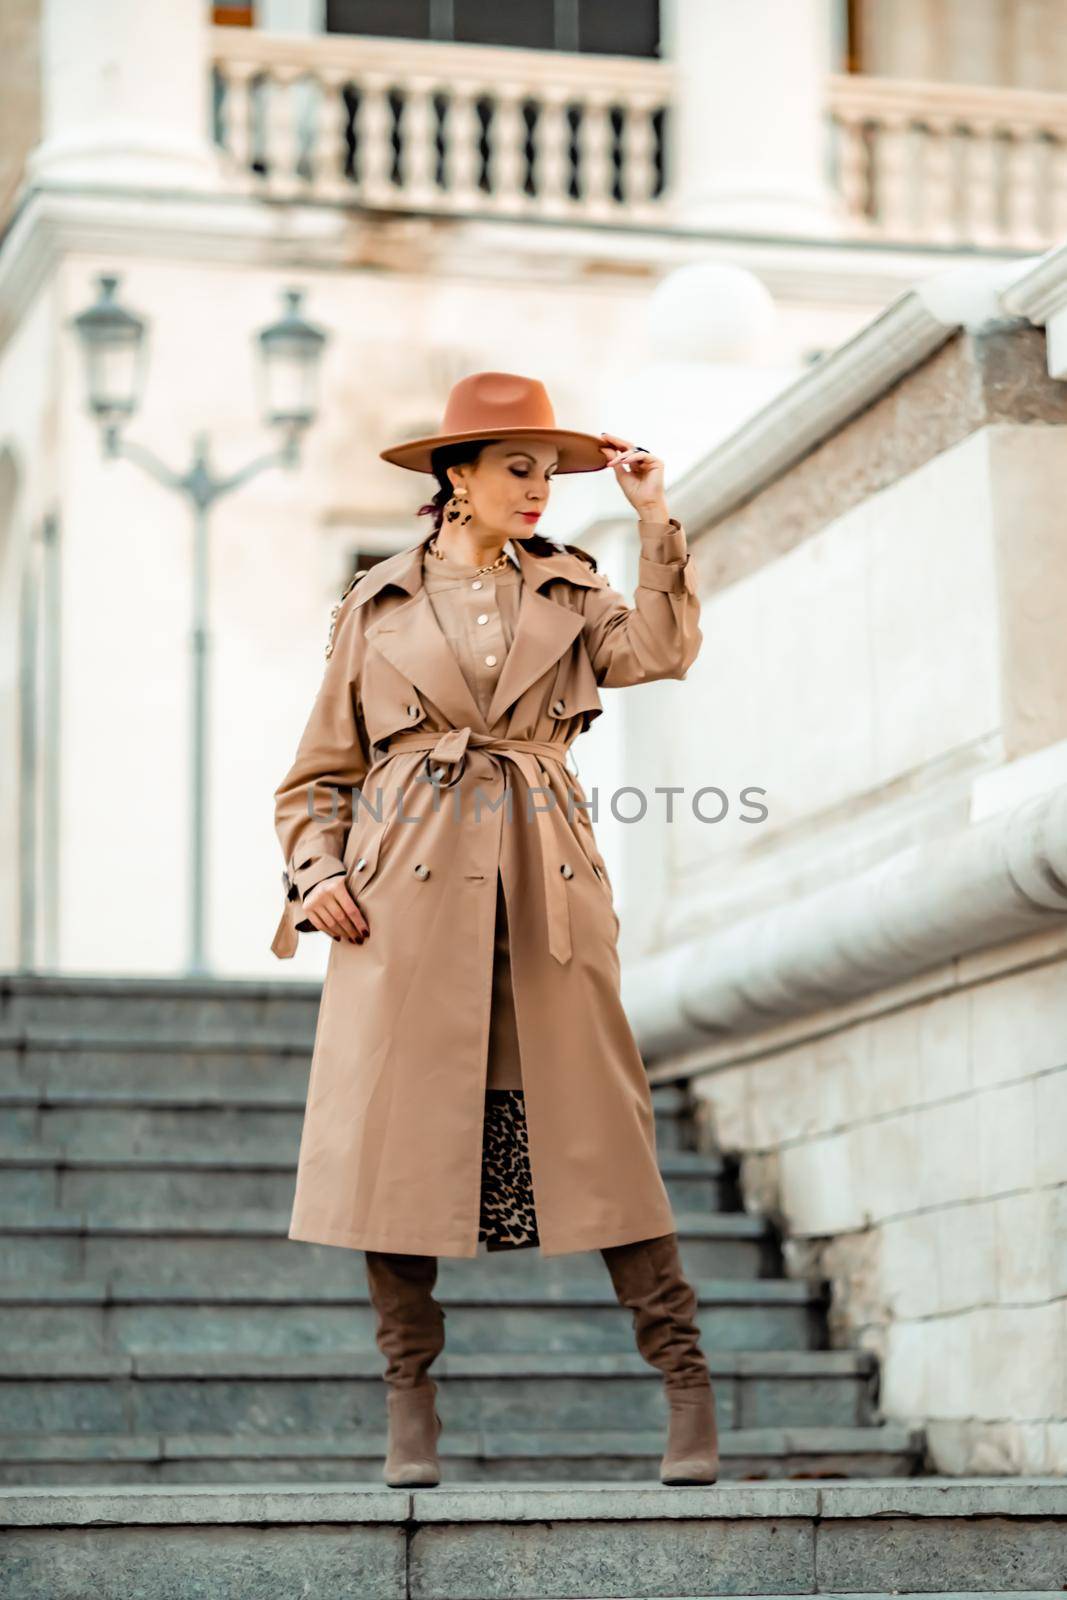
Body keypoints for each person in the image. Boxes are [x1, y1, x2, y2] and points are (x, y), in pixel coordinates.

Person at [271, 371, 717, 1489]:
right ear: (453, 478)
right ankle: (407, 1397)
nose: (537, 487)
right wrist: (315, 873)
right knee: (396, 1146)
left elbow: (660, 652)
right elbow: (316, 778)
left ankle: (684, 1386)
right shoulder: (373, 606)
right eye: (514, 466)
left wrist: (653, 518)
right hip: (401, 904)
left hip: (544, 881)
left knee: (602, 1131)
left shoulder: (573, 592)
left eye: (547, 469)